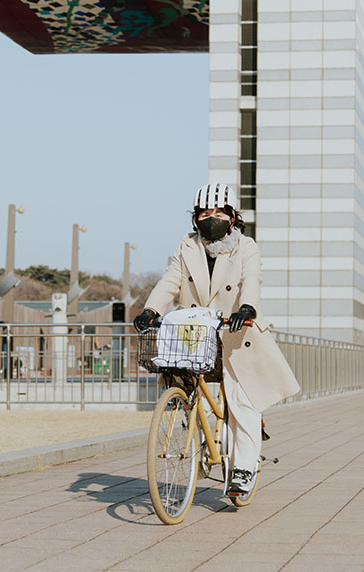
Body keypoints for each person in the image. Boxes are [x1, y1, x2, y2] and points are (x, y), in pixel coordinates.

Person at [134, 183, 300, 495]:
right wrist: (152, 309)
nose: (213, 217)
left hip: (236, 329)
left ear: (232, 217)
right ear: (195, 218)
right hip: (197, 332)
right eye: (205, 212)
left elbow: (252, 278)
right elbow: (171, 278)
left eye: (220, 212)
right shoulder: (187, 245)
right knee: (187, 388)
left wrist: (247, 307)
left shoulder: (246, 246)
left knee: (240, 400)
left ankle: (243, 469)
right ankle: (200, 435)